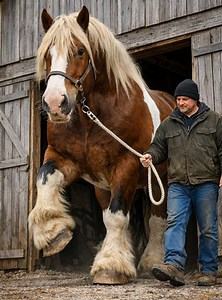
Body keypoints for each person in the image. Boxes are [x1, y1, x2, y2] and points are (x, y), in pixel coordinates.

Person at [140, 79, 222, 287]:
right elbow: (158, 147)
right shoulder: (169, 123)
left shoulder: (214, 121)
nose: (180, 103)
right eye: (178, 99)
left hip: (206, 182)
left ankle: (209, 271)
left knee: (207, 228)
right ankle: (174, 266)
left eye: (184, 99)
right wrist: (150, 155)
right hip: (178, 183)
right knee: (175, 223)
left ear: (195, 99)